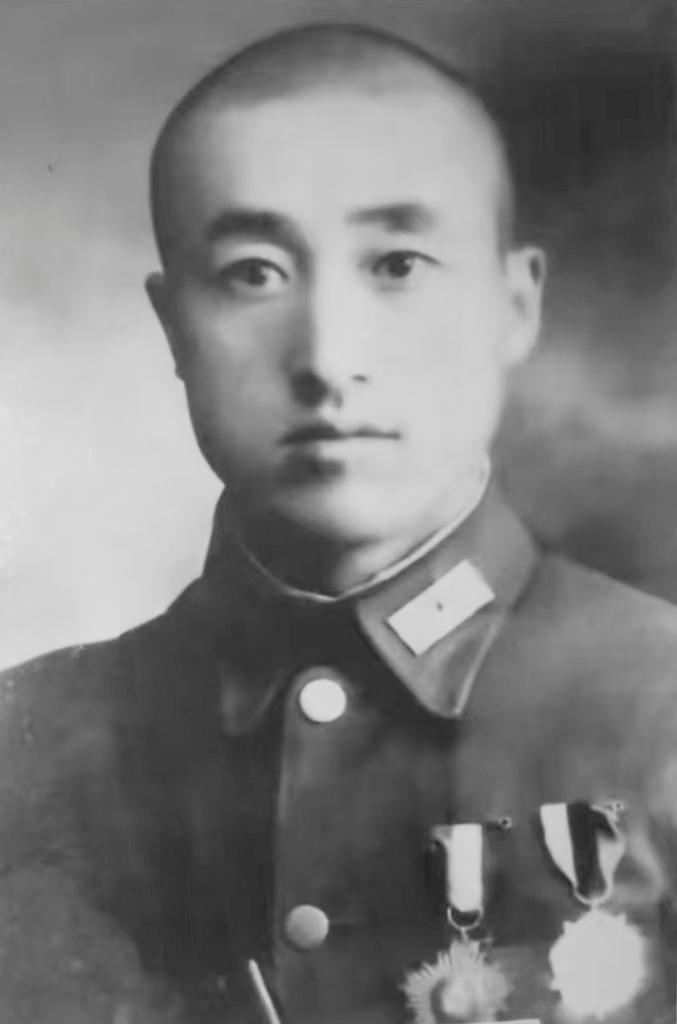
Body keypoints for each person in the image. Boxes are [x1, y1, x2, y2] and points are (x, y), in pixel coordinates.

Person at [2, 21, 677, 1024]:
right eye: (252, 273)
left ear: (512, 304)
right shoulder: (26, 744)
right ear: (173, 326)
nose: (327, 356)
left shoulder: (659, 707)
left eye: (397, 263)